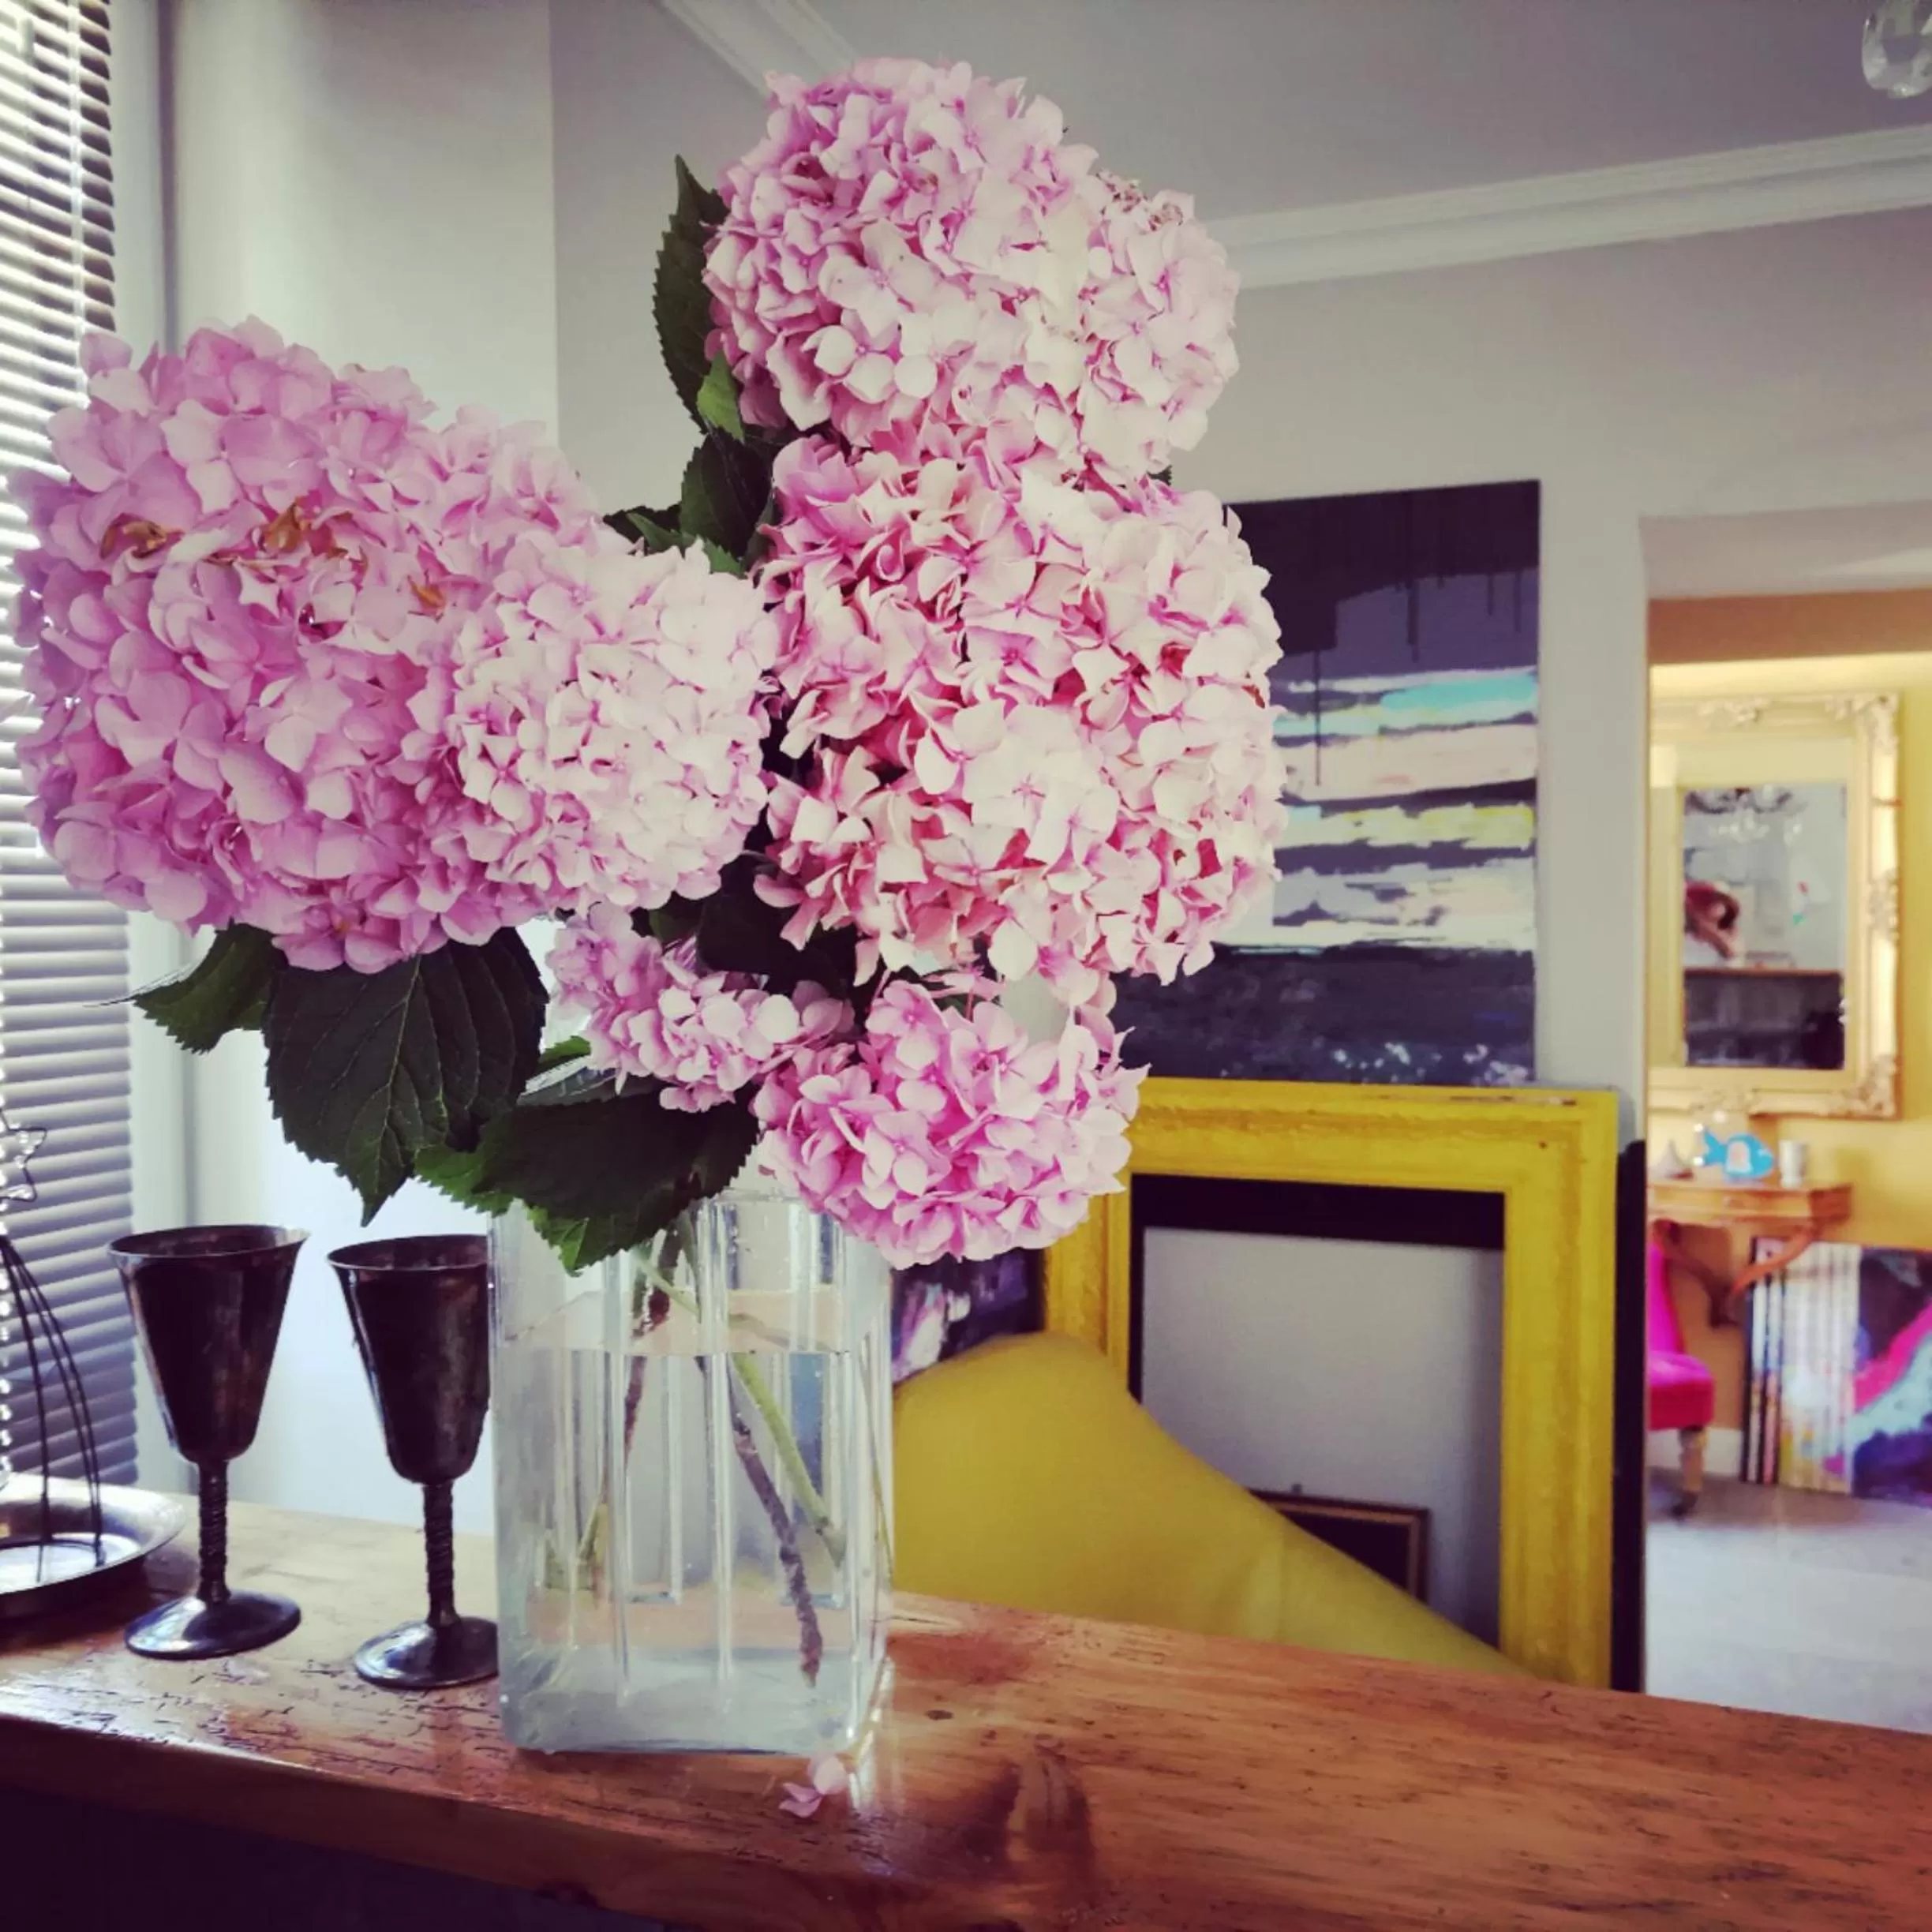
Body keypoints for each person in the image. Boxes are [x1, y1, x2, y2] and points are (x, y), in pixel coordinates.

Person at [1684, 880, 1741, 960]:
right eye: (1703, 900)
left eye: (1720, 901)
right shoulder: (1681, 935)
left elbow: (1732, 953)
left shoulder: (1731, 936)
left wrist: (1710, 932)